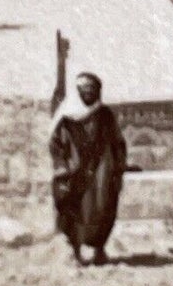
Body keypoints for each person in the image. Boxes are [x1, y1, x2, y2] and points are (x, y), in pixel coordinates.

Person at [49, 71, 127, 266]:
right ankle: (75, 252)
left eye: (93, 88)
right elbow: (55, 144)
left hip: (102, 174)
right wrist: (61, 167)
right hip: (74, 173)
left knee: (104, 209)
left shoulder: (106, 115)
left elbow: (118, 142)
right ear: (78, 91)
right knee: (75, 210)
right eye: (85, 89)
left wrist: (118, 166)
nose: (89, 92)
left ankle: (99, 251)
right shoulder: (66, 118)